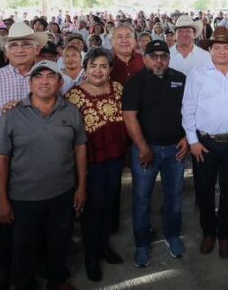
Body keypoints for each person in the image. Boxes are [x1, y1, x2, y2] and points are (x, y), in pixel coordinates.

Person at [0, 60, 86, 290]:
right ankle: (25, 284)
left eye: (50, 76)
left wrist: (81, 186)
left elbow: (80, 149)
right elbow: (1, 159)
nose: (44, 81)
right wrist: (2, 199)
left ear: (60, 82)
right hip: (24, 196)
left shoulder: (71, 111)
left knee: (59, 241)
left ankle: (57, 281)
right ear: (30, 82)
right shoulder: (12, 114)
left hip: (62, 193)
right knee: (24, 246)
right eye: (38, 76)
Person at [182, 26, 228, 258]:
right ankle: (208, 233)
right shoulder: (198, 73)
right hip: (204, 143)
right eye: (217, 47)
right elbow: (188, 109)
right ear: (210, 49)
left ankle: (224, 235)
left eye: (227, 47)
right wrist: (192, 141)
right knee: (204, 190)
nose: (222, 51)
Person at [123, 39, 189, 267]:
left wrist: (186, 138)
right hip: (145, 151)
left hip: (175, 150)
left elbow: (190, 111)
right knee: (141, 198)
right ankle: (142, 243)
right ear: (145, 58)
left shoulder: (180, 79)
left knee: (174, 196)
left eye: (164, 56)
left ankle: (173, 236)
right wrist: (143, 147)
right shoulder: (135, 83)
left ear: (169, 59)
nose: (159, 60)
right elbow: (129, 117)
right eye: (154, 56)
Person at [65, 48, 129, 282]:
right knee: (92, 209)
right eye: (93, 66)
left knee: (108, 204)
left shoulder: (118, 89)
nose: (98, 71)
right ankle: (90, 257)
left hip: (115, 158)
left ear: (110, 69)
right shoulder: (74, 96)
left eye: (103, 66)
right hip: (90, 162)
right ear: (85, 69)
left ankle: (103, 247)